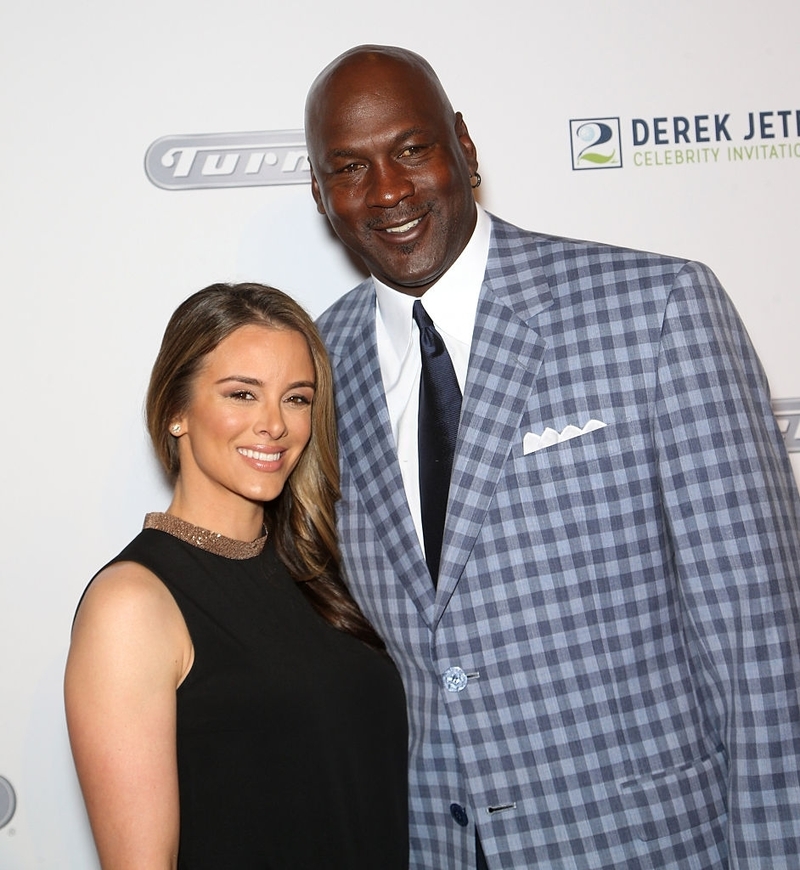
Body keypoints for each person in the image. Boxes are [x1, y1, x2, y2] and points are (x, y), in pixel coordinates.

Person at [304, 45, 800, 869]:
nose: (387, 190)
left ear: (464, 146)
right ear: (320, 194)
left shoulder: (656, 309)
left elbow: (762, 645)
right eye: (350, 167)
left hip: (649, 846)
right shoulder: (314, 369)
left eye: (412, 149)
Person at [64, 283, 409, 870]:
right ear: (176, 411)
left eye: (297, 399)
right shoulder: (132, 604)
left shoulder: (324, 569)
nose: (273, 425)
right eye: (242, 394)